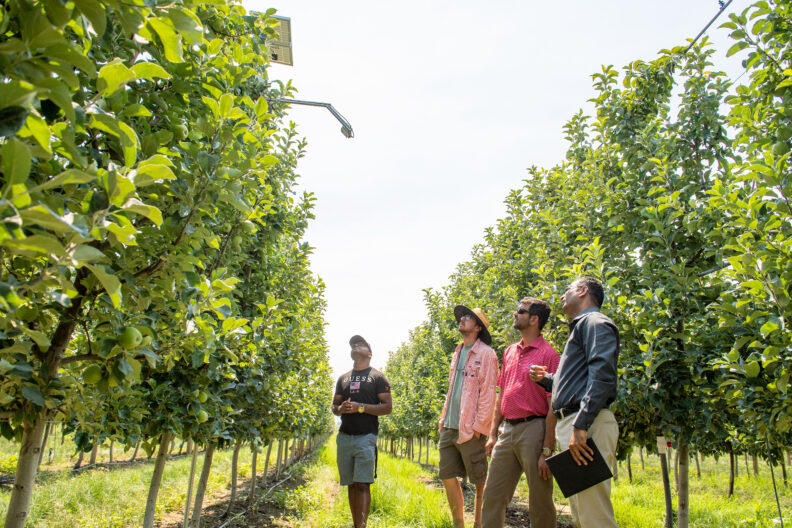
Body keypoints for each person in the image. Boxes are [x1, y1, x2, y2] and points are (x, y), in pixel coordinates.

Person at [530, 276, 620, 528]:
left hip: (586, 425)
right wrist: (549, 380)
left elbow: (602, 375)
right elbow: (581, 379)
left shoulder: (594, 322)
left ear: (583, 291)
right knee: (582, 514)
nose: (562, 295)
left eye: (567, 289)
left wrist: (581, 426)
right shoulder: (582, 326)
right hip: (577, 424)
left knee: (595, 516)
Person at [481, 297, 559, 528]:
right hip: (507, 430)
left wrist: (546, 449)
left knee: (540, 500)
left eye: (520, 311)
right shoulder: (510, 352)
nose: (515, 314)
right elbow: (502, 394)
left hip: (534, 430)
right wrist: (493, 433)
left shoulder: (549, 355)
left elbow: (553, 405)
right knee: (493, 495)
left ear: (534, 319)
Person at [438, 306, 498, 528]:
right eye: (461, 317)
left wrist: (479, 428)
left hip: (470, 428)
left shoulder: (486, 354)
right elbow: (452, 389)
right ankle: (459, 524)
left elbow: (488, 392)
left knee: (479, 479)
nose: (461, 320)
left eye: (467, 317)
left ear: (478, 327)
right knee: (446, 475)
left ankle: (479, 523)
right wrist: (443, 419)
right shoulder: (458, 351)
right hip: (450, 425)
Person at [332, 335, 393, 528]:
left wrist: (361, 407)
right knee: (351, 483)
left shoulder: (377, 377)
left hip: (366, 437)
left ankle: (362, 526)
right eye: (353, 345)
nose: (355, 346)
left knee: (363, 482)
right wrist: (340, 409)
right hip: (344, 437)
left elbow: (387, 407)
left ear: (369, 353)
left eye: (360, 344)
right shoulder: (343, 378)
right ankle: (355, 523)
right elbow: (334, 405)